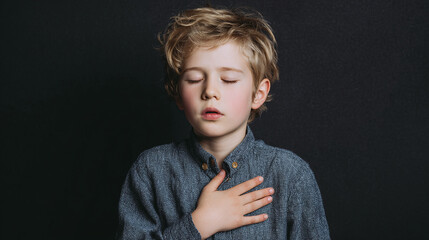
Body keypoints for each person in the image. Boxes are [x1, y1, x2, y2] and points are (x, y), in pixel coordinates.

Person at [117, 6, 330, 240]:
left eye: (228, 79)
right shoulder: (150, 170)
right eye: (195, 79)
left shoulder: (290, 175)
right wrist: (200, 223)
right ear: (178, 93)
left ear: (257, 94)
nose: (210, 91)